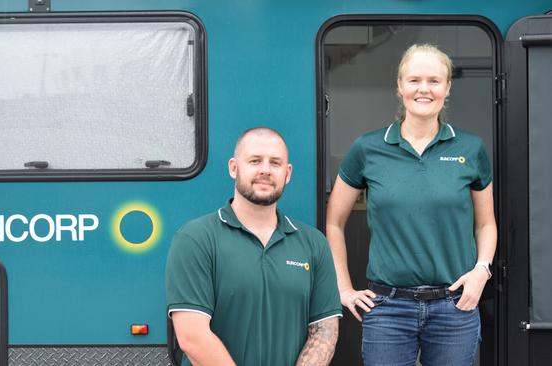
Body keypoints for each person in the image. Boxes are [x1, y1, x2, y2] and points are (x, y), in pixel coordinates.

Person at [326, 44, 497, 366]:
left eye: (434, 81)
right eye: (414, 80)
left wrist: (481, 271)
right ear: (400, 87)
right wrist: (344, 288)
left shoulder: (471, 148)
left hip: (455, 305)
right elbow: (334, 222)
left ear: (447, 89)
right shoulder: (367, 148)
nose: (424, 89)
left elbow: (486, 223)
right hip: (388, 308)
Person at [166, 127, 342, 366]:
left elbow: (325, 331)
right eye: (255, 160)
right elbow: (192, 337)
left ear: (287, 173)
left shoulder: (313, 243)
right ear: (233, 168)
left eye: (275, 163)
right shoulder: (196, 238)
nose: (265, 170)